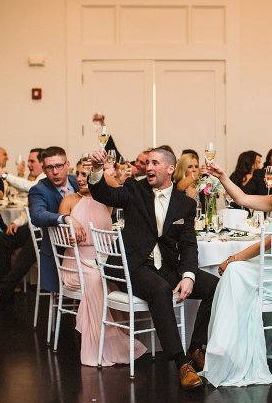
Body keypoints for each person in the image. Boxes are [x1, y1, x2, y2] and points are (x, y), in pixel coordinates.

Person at [88, 146, 219, 390]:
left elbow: (189, 244)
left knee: (216, 286)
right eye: (147, 163)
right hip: (134, 264)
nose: (148, 167)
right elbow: (103, 193)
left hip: (167, 266)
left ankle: (196, 347)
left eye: (155, 163)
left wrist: (189, 275)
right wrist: (97, 170)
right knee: (159, 290)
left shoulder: (185, 204)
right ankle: (181, 363)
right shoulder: (134, 189)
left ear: (170, 169)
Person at [201, 156, 272, 386]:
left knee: (234, 271)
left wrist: (233, 258)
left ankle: (225, 344)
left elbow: (266, 244)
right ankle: (225, 345)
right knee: (235, 273)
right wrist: (222, 175)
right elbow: (242, 198)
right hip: (268, 269)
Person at [57, 159, 146, 367]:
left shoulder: (106, 200)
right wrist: (69, 229)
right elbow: (60, 232)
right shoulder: (69, 201)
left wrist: (101, 169)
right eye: (77, 174)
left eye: (84, 174)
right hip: (76, 263)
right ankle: (105, 340)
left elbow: (119, 187)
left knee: (117, 275)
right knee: (98, 278)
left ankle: (119, 332)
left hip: (104, 261)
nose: (80, 178)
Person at [0, 148, 45, 302]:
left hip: (44, 231)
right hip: (31, 227)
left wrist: (5, 175)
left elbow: (29, 187)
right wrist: (16, 222)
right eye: (28, 161)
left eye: (32, 161)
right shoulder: (38, 179)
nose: (28, 165)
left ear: (42, 162)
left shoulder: (45, 179)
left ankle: (2, 289)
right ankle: (0, 286)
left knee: (25, 254)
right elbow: (29, 207)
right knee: (2, 241)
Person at [29, 146, 80, 294]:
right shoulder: (39, 190)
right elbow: (37, 215)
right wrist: (64, 218)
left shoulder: (78, 181)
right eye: (50, 168)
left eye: (59, 166)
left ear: (67, 165)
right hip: (59, 255)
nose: (55, 172)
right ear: (43, 170)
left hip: (86, 249)